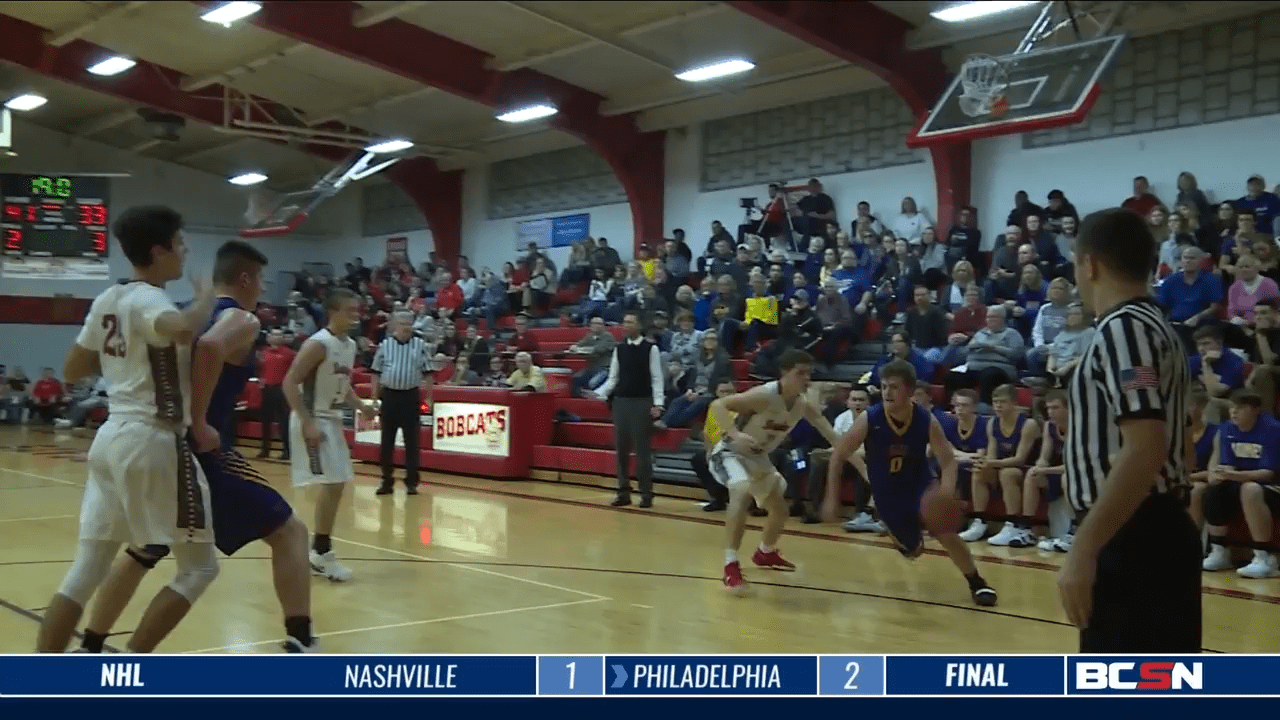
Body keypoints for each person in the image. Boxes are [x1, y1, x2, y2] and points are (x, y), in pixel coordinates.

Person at [73, 241, 318, 653]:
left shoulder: (185, 311)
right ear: (245, 278)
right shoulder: (240, 318)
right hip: (203, 450)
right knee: (290, 532)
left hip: (158, 440)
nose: (262, 289)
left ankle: (92, 645)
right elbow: (209, 348)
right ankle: (301, 638)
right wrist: (201, 418)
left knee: (144, 548)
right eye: (260, 280)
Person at [36, 205, 220, 653]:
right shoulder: (149, 299)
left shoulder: (108, 300)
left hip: (110, 438)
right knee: (199, 569)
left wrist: (123, 357)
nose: (185, 251)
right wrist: (205, 302)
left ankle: (42, 683)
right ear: (158, 251)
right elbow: (177, 329)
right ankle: (128, 668)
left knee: (87, 569)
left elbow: (73, 368)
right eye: (180, 244)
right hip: (150, 439)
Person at [1061, 207, 1199, 653]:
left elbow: (1145, 445)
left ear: (1090, 263)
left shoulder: (1124, 330)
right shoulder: (1157, 326)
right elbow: (1180, 440)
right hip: (1150, 530)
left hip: (1132, 536)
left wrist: (1084, 547)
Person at [823, 359, 998, 606]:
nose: (887, 392)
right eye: (883, 386)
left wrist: (945, 494)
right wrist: (831, 498)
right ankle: (894, 529)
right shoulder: (870, 418)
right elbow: (839, 454)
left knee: (947, 533)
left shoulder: (926, 419)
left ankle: (977, 583)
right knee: (914, 552)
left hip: (920, 484)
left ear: (909, 390)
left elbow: (948, 461)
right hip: (887, 494)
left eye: (894, 387)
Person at [708, 349, 841, 593]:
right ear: (784, 374)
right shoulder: (764, 395)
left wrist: (866, 470)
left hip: (758, 458)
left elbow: (836, 440)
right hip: (729, 453)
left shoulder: (803, 406)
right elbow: (718, 404)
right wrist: (734, 433)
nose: (805, 379)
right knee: (741, 489)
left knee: (781, 511)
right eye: (800, 373)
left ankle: (765, 552)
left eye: (808, 374)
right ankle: (730, 565)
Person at [283, 288, 378, 582]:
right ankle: (319, 552)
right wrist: (307, 422)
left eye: (357, 310)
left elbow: (343, 384)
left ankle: (318, 550)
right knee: (332, 483)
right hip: (313, 418)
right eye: (350, 310)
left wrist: (361, 406)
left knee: (337, 484)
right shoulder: (318, 344)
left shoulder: (348, 345)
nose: (356, 315)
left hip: (330, 418)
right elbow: (289, 383)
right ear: (333, 312)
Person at [1200, 389, 1280, 578]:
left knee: (1250, 489)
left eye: (1241, 408)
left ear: (1256, 410)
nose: (1234, 412)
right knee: (1213, 489)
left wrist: (1233, 476)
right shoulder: (1226, 429)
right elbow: (1226, 465)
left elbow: (1268, 473)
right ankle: (1219, 551)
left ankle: (1263, 556)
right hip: (1240, 482)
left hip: (1272, 486)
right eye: (1232, 407)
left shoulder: (1273, 429)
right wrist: (1217, 474)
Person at [595, 311, 664, 508]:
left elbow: (657, 378)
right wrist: (599, 393)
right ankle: (623, 491)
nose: (626, 325)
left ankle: (646, 493)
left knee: (642, 452)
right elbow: (613, 378)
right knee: (622, 450)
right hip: (621, 403)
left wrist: (658, 404)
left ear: (639, 325)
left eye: (631, 322)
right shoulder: (620, 349)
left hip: (642, 402)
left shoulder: (651, 349)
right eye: (624, 322)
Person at [960, 384, 1040, 543]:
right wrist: (985, 463)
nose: (997, 406)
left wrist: (992, 463)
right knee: (978, 470)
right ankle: (980, 521)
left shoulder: (1028, 424)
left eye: (1002, 402)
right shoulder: (992, 423)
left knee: (1007, 473)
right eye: (995, 402)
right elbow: (991, 454)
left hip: (1026, 470)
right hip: (1001, 465)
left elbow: (1020, 459)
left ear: (1013, 403)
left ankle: (1012, 524)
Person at [370, 310, 433, 496]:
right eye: (403, 323)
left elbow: (428, 373)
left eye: (409, 323)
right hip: (389, 396)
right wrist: (374, 397)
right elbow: (375, 372)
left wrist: (429, 397)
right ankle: (386, 481)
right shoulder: (385, 345)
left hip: (410, 397)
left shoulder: (420, 345)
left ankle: (411, 482)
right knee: (386, 442)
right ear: (395, 325)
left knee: (412, 442)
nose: (406, 326)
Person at [1019, 391, 1071, 550]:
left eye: (1055, 407)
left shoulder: (1080, 425)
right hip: (1058, 471)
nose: (1050, 412)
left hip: (1078, 474)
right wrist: (1040, 466)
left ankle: (1073, 531)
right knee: (1032, 475)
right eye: (1048, 408)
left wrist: (1047, 471)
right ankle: (1028, 529)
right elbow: (1044, 457)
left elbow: (1074, 465)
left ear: (1069, 409)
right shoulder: (1049, 426)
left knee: (1067, 478)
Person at [257, 327, 295, 460]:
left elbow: (293, 372)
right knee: (265, 421)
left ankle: (287, 451)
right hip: (266, 389)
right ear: (269, 337)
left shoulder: (289, 353)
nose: (277, 337)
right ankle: (264, 450)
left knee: (283, 421)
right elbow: (260, 369)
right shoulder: (263, 352)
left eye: (279, 335)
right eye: (274, 334)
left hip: (281, 389)